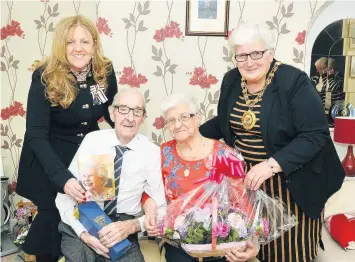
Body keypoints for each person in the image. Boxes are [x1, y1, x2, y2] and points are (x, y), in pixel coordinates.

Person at [199, 22, 345, 262]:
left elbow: (315, 134)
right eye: (242, 55)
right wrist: (190, 137)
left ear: (270, 53)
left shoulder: (293, 81)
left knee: (288, 252)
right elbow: (223, 122)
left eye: (256, 53)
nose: (249, 62)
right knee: (251, 250)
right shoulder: (232, 80)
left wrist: (270, 165)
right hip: (247, 186)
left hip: (292, 185)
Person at [15, 15, 118, 262]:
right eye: (71, 42)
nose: (78, 48)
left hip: (87, 158)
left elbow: (110, 112)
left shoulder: (104, 71)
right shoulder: (45, 76)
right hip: (49, 161)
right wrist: (63, 179)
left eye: (85, 41)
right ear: (61, 45)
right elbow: (36, 135)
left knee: (94, 224)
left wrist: (127, 119)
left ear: (95, 44)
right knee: (52, 230)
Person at [143, 94, 260, 262]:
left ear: (197, 118)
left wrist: (253, 240)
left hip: (221, 240)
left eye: (184, 117)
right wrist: (150, 210)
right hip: (179, 242)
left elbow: (242, 201)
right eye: (171, 120)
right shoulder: (162, 153)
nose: (177, 125)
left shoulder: (225, 154)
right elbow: (149, 190)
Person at [55, 88, 166, 262]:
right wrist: (83, 234)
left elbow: (161, 208)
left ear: (143, 118)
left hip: (121, 228)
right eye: (123, 109)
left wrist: (132, 226)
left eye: (137, 111)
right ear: (112, 113)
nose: (130, 118)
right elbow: (64, 197)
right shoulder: (92, 141)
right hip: (84, 221)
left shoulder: (151, 153)